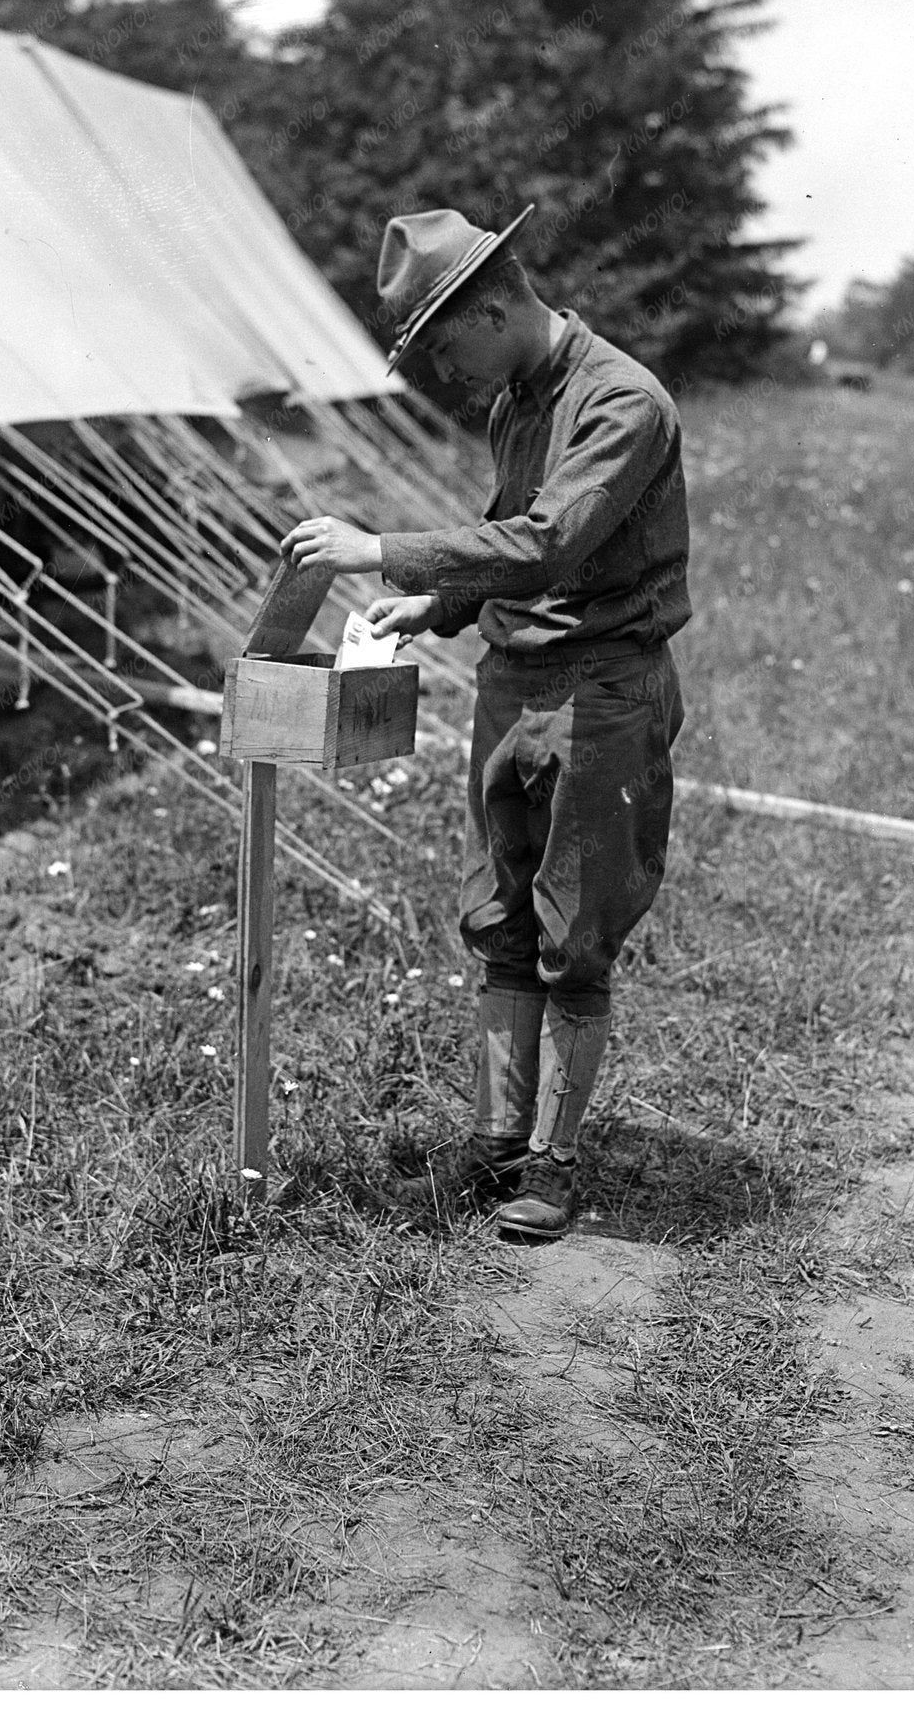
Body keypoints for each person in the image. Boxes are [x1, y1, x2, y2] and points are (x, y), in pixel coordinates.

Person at [279, 203, 690, 1239]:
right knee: (499, 919)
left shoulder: (624, 402)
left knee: (573, 932)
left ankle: (554, 1162)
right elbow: (508, 538)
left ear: (494, 309)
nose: (446, 374)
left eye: (443, 347)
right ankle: (496, 1146)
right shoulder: (517, 403)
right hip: (515, 680)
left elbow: (551, 542)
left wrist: (380, 551)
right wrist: (442, 604)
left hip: (602, 694)